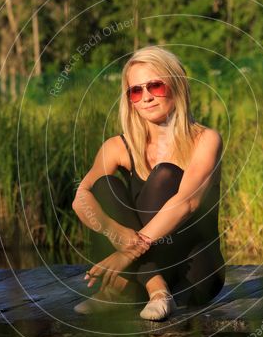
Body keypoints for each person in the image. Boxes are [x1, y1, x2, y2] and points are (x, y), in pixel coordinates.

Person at [71, 45, 225, 321]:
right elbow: (81, 196)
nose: (146, 98)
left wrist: (129, 253)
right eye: (136, 90)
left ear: (177, 87)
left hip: (194, 273)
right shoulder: (118, 147)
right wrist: (115, 232)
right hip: (142, 272)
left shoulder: (205, 140)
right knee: (104, 186)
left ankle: (119, 291)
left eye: (156, 86)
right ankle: (156, 289)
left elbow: (188, 202)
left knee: (165, 174)